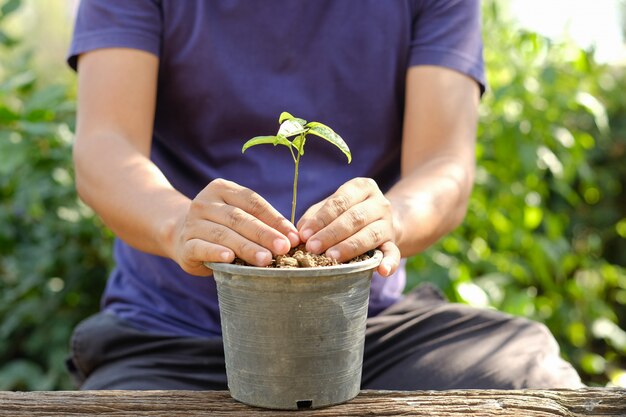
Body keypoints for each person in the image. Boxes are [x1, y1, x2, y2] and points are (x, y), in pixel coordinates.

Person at [66, 0, 582, 390]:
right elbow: (103, 148)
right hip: (172, 333)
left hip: (365, 331)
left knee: (525, 372)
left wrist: (392, 219)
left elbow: (445, 165)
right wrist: (177, 223)